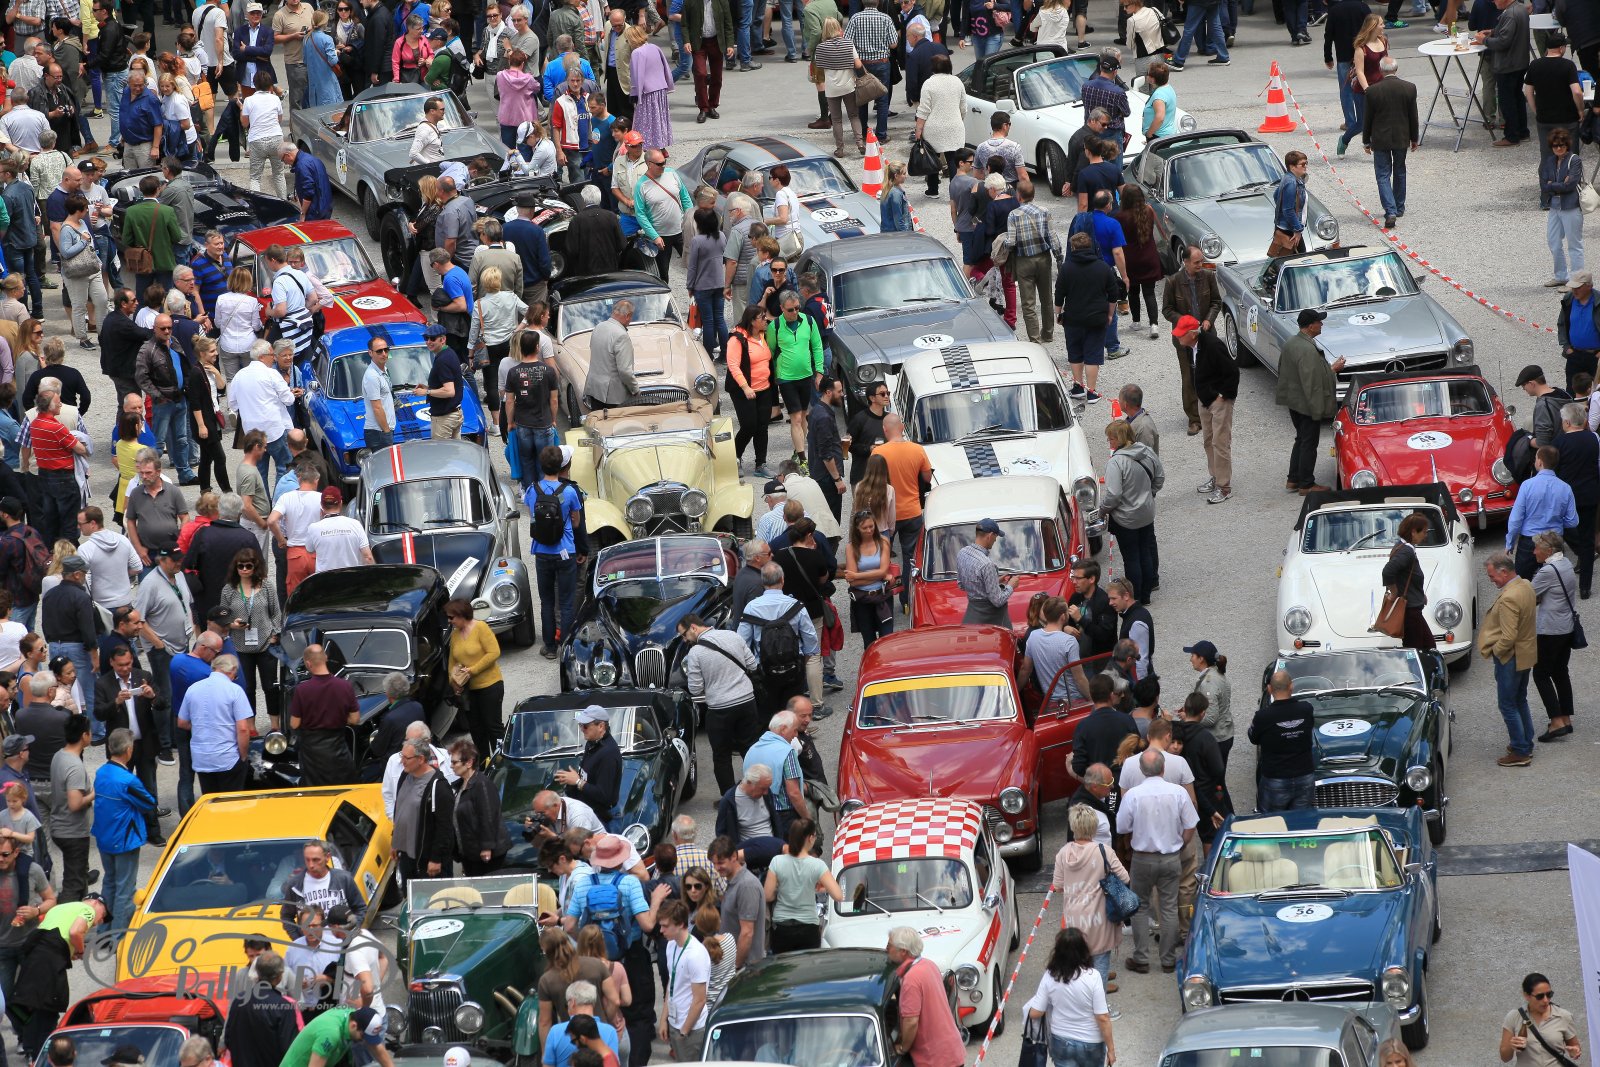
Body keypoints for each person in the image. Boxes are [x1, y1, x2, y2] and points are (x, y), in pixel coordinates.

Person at [1051, 804, 1127, 989]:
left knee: (1077, 967)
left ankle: (1080, 1001)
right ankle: (1099, 1003)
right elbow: (1125, 878)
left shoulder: (1063, 853)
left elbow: (1058, 886)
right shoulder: (1104, 851)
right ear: (1094, 826)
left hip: (1073, 920)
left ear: (1073, 826)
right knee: (1100, 967)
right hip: (1100, 920)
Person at [1025, 926, 1117, 1067]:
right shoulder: (1093, 976)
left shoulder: (1050, 976)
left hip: (1061, 1041)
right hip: (1091, 1043)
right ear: (1083, 950)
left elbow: (1035, 1013)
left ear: (1057, 952)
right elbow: (1102, 1017)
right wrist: (1111, 1050)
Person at [1277, 309, 1345, 494]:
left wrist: (1329, 368)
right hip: (1307, 403)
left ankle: (1293, 479)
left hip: (1294, 401)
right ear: (1310, 326)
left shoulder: (1292, 342)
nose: (1321, 324)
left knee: (1301, 438)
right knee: (1309, 442)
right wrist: (1333, 370)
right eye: (1318, 322)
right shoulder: (1307, 349)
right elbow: (1313, 382)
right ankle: (1306, 484)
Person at [92, 728, 153, 932]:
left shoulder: (101, 772)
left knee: (109, 883)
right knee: (125, 891)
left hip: (104, 837)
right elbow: (148, 803)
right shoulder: (128, 780)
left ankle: (103, 932)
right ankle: (118, 937)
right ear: (128, 750)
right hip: (125, 840)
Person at [1174, 314, 1237, 504]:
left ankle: (1224, 487)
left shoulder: (1213, 345)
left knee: (1220, 442)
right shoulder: (1191, 346)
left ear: (1193, 334)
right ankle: (1216, 477)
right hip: (1205, 400)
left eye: (1181, 334)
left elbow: (1232, 372)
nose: (1178, 337)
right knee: (1209, 440)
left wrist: (1223, 395)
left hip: (1218, 401)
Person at [885, 926, 965, 1067]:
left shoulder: (911, 979)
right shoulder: (929, 965)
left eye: (889, 945)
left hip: (935, 1059)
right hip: (951, 1050)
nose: (886, 949)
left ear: (903, 951)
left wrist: (903, 1048)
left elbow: (911, 1022)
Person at [1102, 421, 1163, 604]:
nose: (1109, 442)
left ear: (1119, 438)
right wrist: (1149, 495)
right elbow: (1159, 477)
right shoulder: (1147, 452)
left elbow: (1113, 495)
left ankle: (1136, 597)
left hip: (1125, 519)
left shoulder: (1116, 462)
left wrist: (1102, 510)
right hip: (1146, 513)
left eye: (1111, 438)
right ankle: (1147, 592)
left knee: (1131, 558)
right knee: (1145, 551)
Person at [1054, 232, 1118, 402]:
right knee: (1093, 354)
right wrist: (1110, 314)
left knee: (1075, 352)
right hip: (1097, 319)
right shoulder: (1103, 267)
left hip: (1073, 318)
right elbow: (1113, 294)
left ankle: (1078, 387)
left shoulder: (1066, 268)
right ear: (1090, 246)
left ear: (1073, 247)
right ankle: (1091, 392)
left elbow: (1059, 294)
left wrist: (1058, 314)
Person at [1528, 531, 1578, 743]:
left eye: (1537, 548)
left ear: (1548, 551)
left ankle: (1556, 721)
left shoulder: (1548, 571)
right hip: (1567, 627)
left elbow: (1528, 595)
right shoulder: (1565, 563)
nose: (1534, 552)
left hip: (1550, 630)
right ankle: (1566, 718)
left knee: (1540, 674)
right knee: (1560, 671)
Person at [763, 817, 840, 952]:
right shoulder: (817, 865)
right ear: (810, 838)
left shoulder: (777, 861)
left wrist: (781, 891)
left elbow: (767, 895)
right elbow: (838, 895)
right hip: (808, 928)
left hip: (782, 928)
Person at [179, 654, 253, 794]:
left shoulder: (193, 689)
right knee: (231, 802)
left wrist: (202, 726)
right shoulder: (234, 690)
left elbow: (182, 722)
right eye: (235, 675)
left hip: (202, 759)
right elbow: (243, 729)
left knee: (210, 799)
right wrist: (243, 756)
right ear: (232, 670)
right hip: (227, 758)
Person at [1360, 55, 1418, 230]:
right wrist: (1414, 138)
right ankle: (1399, 207)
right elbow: (1413, 116)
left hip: (1380, 139)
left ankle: (1390, 210)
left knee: (1383, 175)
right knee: (1400, 171)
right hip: (1401, 136)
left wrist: (1366, 140)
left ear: (1380, 70)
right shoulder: (1409, 88)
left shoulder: (1372, 91)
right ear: (1396, 69)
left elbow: (1367, 118)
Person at [1508, 445, 1579, 578]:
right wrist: (1557, 523)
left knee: (1523, 583)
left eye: (1535, 458)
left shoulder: (1527, 485)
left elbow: (1516, 519)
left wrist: (1510, 542)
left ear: (1540, 462)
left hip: (1529, 541)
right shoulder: (1566, 488)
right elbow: (1572, 521)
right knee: (1554, 580)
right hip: (1554, 541)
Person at [391, 738, 456, 881]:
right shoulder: (405, 775)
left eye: (406, 758)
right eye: (402, 756)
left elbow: (445, 828)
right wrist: (395, 841)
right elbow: (400, 809)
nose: (402, 761)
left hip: (428, 863)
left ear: (421, 759)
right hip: (407, 858)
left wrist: (436, 859)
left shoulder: (439, 787)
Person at [446, 598, 503, 759]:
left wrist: (472, 670)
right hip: (469, 691)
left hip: (490, 685)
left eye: (451, 617)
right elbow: (452, 662)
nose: (449, 621)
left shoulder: (481, 627)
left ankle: (501, 760)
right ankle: (484, 762)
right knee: (476, 729)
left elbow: (494, 652)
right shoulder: (455, 635)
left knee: (493, 726)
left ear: (461, 615)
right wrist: (453, 681)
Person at [1251, 670, 1317, 808]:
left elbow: (1253, 738)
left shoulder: (1263, 716)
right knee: (1302, 819)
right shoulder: (1306, 709)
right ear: (1291, 686)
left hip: (1275, 779)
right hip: (1304, 777)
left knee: (1274, 820)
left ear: (1269, 689)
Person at [222, 951, 300, 1067]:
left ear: (257, 972)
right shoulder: (284, 1007)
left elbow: (228, 1038)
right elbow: (290, 1049)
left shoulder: (239, 1000)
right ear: (279, 975)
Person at [1476, 0, 1530, 147]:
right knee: (1517, 97)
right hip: (1519, 62)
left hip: (1508, 64)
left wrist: (1484, 40)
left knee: (1507, 101)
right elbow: (1510, 32)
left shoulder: (1510, 14)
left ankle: (1512, 136)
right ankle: (1522, 132)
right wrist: (1493, 31)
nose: (1493, 1)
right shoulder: (1520, 9)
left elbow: (1503, 42)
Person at [558, 706, 624, 826]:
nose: (582, 729)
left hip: (604, 819)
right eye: (580, 725)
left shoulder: (608, 754)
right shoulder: (592, 744)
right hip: (589, 812)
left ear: (601, 726)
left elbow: (605, 796)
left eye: (585, 726)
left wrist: (577, 782)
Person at [1500, 972, 1581, 1066]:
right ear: (1526, 995)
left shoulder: (1564, 1016)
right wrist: (1512, 1046)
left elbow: (1575, 1046)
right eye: (1540, 996)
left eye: (1549, 994)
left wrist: (1575, 1052)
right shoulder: (1514, 1017)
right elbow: (1505, 1058)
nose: (1546, 1000)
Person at [1540, 128, 1585, 288]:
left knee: (1574, 244)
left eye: (1562, 145)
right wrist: (1559, 184)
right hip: (1555, 207)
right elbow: (1544, 185)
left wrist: (1553, 184)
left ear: (1567, 145)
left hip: (1571, 206)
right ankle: (1561, 276)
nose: (1559, 148)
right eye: (1555, 145)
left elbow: (1571, 184)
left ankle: (1577, 280)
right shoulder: (1550, 161)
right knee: (1553, 241)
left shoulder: (1575, 160)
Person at [279, 1006, 394, 1067]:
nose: (364, 1041)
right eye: (363, 1036)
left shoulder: (353, 1016)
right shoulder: (331, 1034)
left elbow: (377, 1049)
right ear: (354, 1026)